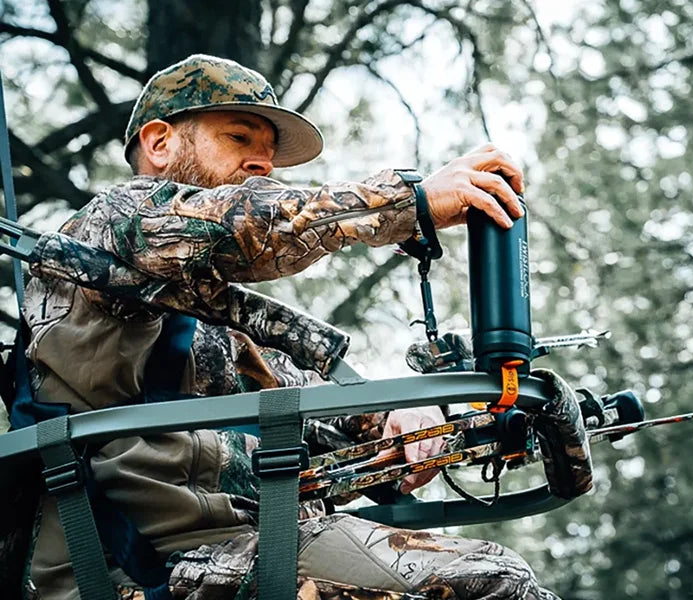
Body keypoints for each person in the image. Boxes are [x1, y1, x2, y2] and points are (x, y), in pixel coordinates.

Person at [18, 54, 563, 600]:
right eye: (238, 138)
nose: (264, 165)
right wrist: (409, 201)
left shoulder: (227, 334)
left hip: (253, 541)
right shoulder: (110, 226)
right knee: (495, 584)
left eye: (271, 155)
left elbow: (321, 413)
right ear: (159, 144)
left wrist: (411, 425)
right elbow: (241, 224)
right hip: (137, 567)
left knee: (497, 576)